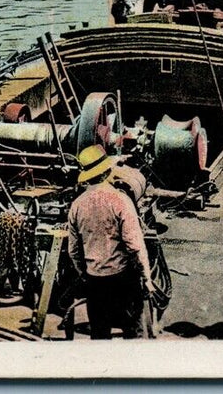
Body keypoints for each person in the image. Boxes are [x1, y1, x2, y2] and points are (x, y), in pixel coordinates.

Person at [67, 145, 152, 340]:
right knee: (133, 333)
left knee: (99, 335)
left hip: (95, 281)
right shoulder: (120, 200)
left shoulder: (77, 205)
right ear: (107, 171)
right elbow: (135, 246)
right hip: (122, 278)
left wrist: (85, 274)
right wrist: (146, 278)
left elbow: (73, 251)